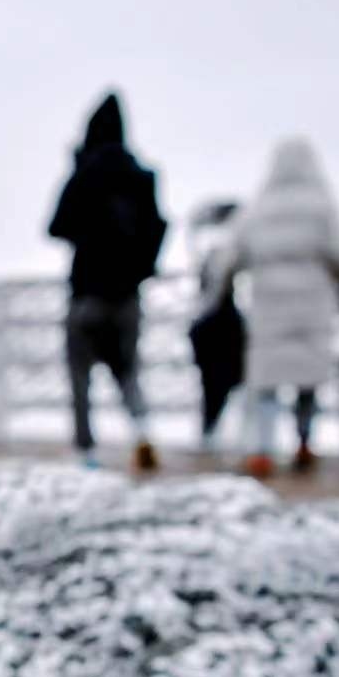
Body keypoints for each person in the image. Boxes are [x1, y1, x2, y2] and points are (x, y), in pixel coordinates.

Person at [217, 137, 339, 478]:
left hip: (269, 307)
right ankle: (304, 442)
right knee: (307, 382)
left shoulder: (259, 207)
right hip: (313, 306)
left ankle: (262, 449)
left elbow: (231, 257)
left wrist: (220, 290)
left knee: (266, 383)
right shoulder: (321, 206)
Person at [47, 91, 168, 471]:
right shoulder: (141, 177)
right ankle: (142, 431)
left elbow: (56, 227)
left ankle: (86, 453)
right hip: (128, 296)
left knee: (81, 376)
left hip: (87, 294)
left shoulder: (84, 175)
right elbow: (158, 227)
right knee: (128, 372)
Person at [185, 198, 246, 451]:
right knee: (220, 381)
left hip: (212, 324)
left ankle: (211, 430)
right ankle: (215, 430)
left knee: (213, 383)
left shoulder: (211, 254)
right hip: (221, 324)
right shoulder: (222, 255)